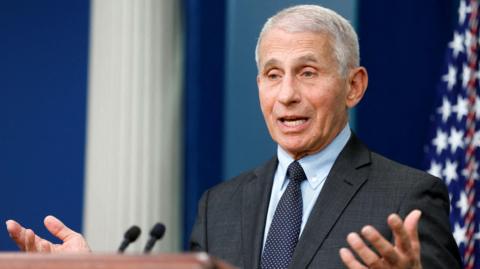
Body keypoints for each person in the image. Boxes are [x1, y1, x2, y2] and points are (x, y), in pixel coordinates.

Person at [6, 4, 461, 269]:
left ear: (354, 86)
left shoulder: (409, 197)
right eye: (272, 75)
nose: (287, 95)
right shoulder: (218, 206)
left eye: (307, 73)